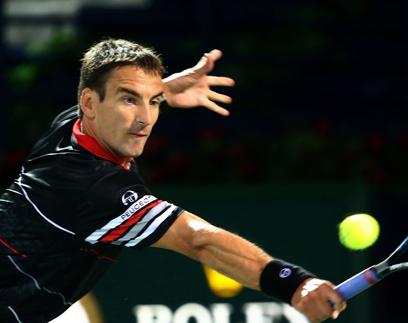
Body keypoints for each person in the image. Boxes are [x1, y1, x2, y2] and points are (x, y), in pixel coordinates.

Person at [0, 39, 346, 322]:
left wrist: (165, 90)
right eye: (129, 99)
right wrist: (293, 283)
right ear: (89, 103)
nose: (145, 119)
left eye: (153, 102)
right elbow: (197, 240)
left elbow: (120, 101)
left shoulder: (70, 126)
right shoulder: (89, 187)